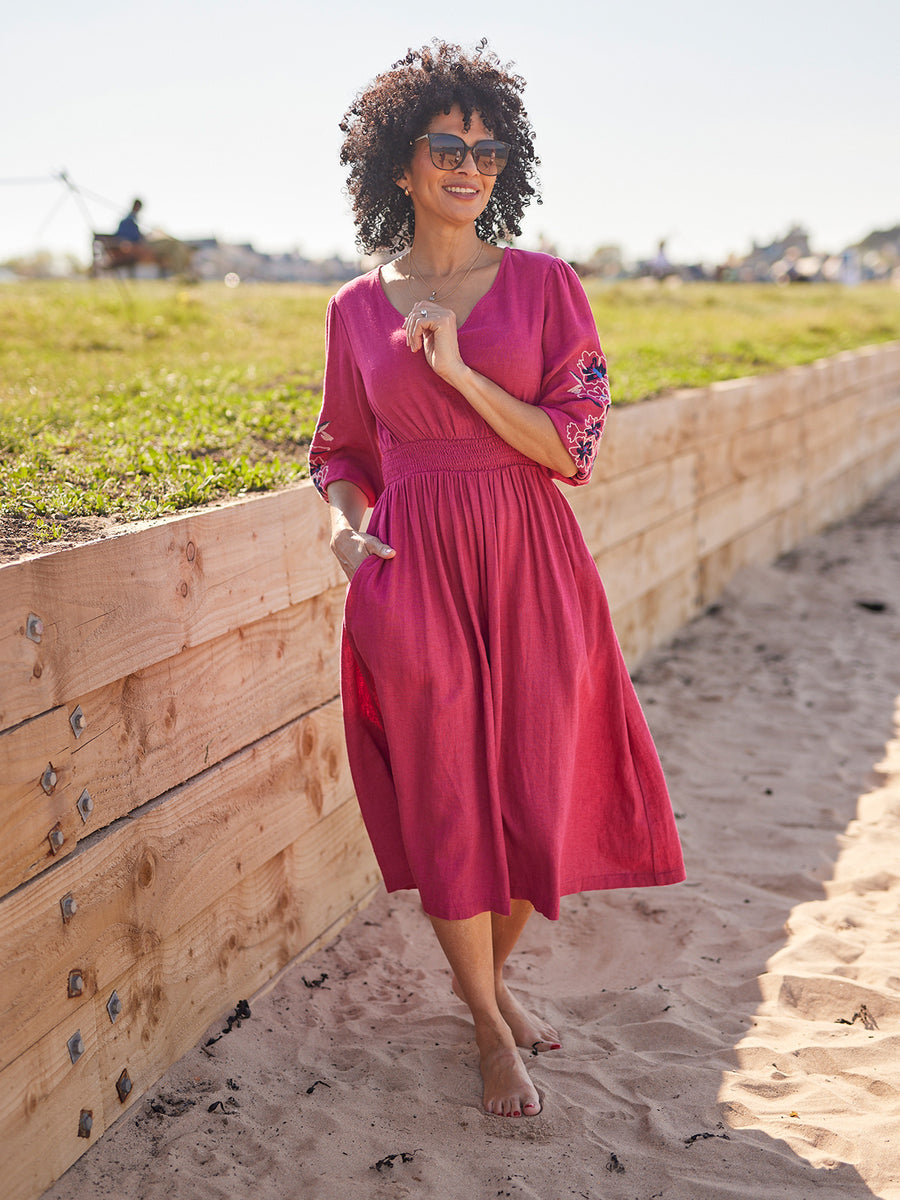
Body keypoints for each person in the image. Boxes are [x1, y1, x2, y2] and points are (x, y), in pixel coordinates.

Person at [308, 39, 685, 1120]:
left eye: (487, 149)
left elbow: (574, 447)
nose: (469, 165)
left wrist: (462, 374)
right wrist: (345, 530)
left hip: (531, 560)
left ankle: (494, 984)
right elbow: (340, 447)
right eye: (445, 145)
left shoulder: (546, 286)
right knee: (448, 804)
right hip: (415, 567)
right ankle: (484, 1022)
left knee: (535, 797)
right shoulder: (354, 308)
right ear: (399, 164)